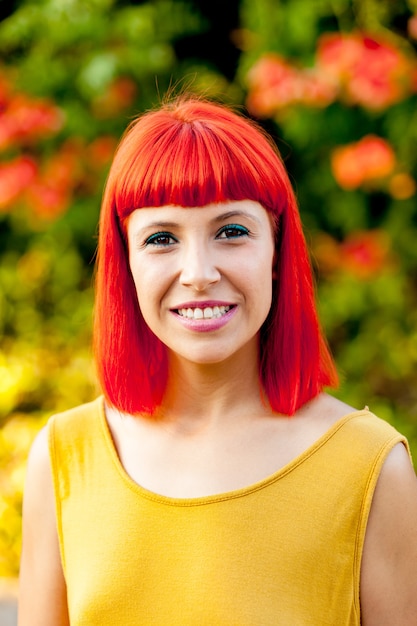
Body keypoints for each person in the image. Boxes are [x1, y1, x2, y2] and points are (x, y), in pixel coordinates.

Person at [18, 95, 417, 626]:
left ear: (277, 250)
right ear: (126, 262)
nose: (198, 272)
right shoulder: (65, 458)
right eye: (161, 239)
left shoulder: (372, 467)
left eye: (231, 232)